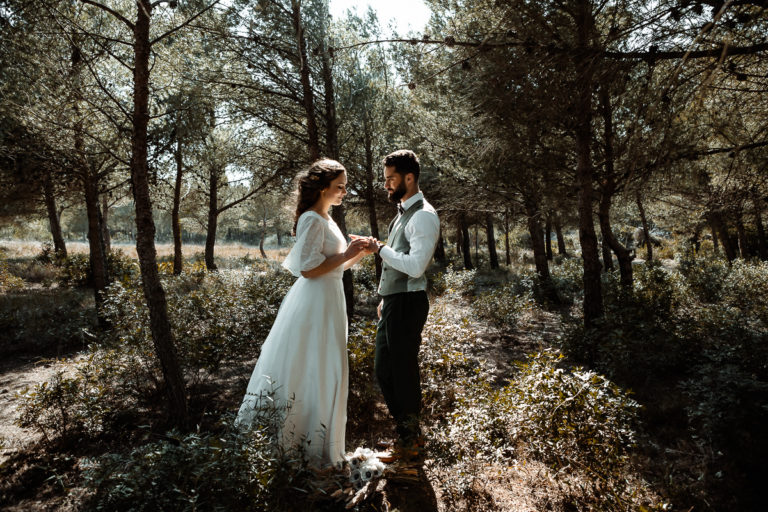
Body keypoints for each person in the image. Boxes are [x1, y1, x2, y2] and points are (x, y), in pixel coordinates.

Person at [235, 159, 371, 467]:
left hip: (329, 298)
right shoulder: (312, 219)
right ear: (323, 188)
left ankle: (321, 442)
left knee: (325, 366)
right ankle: (295, 446)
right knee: (309, 366)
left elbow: (333, 266)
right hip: (314, 302)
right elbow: (309, 270)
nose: (345, 192)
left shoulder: (326, 217)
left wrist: (357, 254)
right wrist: (348, 253)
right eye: (340, 186)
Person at [364, 149, 440, 461]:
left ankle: (411, 442)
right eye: (385, 180)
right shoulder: (402, 212)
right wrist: (385, 298)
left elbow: (416, 266)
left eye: (391, 179)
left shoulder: (422, 214)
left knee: (403, 373)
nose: (386, 185)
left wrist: (379, 249)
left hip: (409, 303)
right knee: (385, 370)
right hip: (395, 302)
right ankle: (407, 436)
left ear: (410, 178)